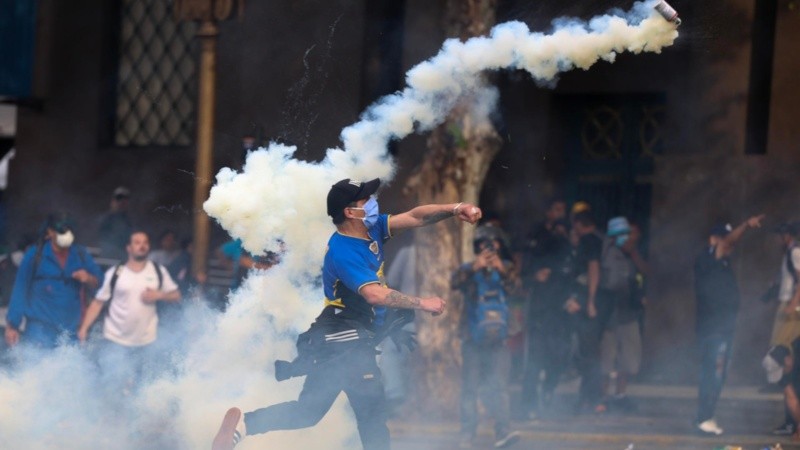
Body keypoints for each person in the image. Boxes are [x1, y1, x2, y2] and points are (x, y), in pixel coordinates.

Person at [211, 178, 482, 450]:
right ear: (351, 212)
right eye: (365, 199)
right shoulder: (343, 251)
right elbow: (374, 294)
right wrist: (422, 303)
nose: (373, 201)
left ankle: (245, 425)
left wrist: (456, 207)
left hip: (335, 339)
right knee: (373, 416)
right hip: (346, 339)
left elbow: (415, 216)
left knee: (307, 412)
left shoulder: (371, 229)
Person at [78, 231, 180, 393]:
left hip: (146, 341)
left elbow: (176, 295)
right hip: (115, 339)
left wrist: (159, 294)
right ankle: (110, 415)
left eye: (145, 242)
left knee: (141, 388)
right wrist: (84, 328)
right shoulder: (116, 273)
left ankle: (136, 417)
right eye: (137, 242)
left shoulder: (158, 271)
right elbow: (98, 302)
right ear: (129, 248)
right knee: (112, 384)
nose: (142, 245)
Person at [693, 215, 764, 435]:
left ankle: (707, 415)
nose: (730, 243)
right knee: (713, 372)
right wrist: (746, 225)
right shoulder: (708, 257)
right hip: (713, 329)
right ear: (713, 239)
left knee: (719, 373)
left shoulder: (723, 262)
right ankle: (703, 418)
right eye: (724, 239)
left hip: (723, 328)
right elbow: (727, 243)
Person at [452, 236, 520, 448]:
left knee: (499, 387)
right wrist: (475, 267)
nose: (489, 254)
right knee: (470, 388)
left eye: (493, 249)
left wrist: (501, 270)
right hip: (473, 338)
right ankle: (467, 435)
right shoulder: (468, 269)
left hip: (498, 339)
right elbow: (455, 283)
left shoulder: (506, 268)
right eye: (485, 249)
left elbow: (517, 290)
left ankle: (502, 432)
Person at [4, 212, 102, 349]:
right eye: (61, 230)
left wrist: (88, 278)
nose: (66, 234)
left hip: (69, 332)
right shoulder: (34, 255)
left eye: (69, 230)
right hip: (39, 331)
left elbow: (101, 284)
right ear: (50, 232)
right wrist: (12, 326)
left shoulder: (80, 254)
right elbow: (20, 289)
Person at [519, 198, 573, 418]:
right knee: (535, 359)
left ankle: (548, 391)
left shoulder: (567, 237)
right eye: (557, 209)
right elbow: (523, 272)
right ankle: (528, 406)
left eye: (564, 210)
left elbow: (573, 270)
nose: (561, 214)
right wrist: (534, 277)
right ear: (549, 211)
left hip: (560, 309)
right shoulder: (537, 236)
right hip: (540, 309)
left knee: (559, 356)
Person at [598, 217, 648, 412]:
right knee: (606, 360)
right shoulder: (606, 255)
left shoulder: (631, 255)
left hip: (628, 315)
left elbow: (643, 273)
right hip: (610, 317)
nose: (629, 238)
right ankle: (603, 398)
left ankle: (620, 395)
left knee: (628, 360)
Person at [568, 210, 606, 413]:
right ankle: (588, 398)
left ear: (579, 224)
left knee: (589, 354)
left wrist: (590, 300)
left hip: (588, 303)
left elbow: (593, 269)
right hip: (596, 302)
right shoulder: (599, 239)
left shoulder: (589, 241)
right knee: (588, 352)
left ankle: (592, 399)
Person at [98, 186, 134, 260]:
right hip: (108, 259)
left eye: (125, 200)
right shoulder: (104, 220)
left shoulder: (130, 222)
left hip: (125, 259)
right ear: (112, 202)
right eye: (119, 199)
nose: (121, 202)